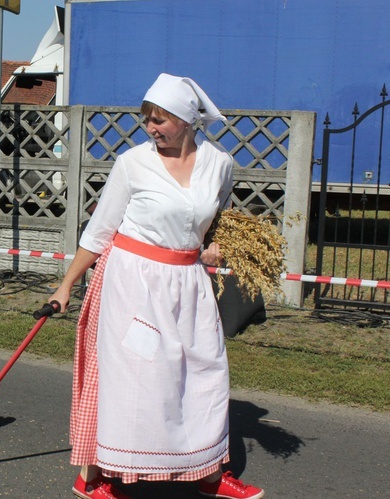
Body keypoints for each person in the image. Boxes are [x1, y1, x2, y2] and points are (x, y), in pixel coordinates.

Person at [48, 73, 265, 499]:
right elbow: (98, 231)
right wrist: (66, 285)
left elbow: (214, 217)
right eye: (147, 118)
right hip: (134, 285)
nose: (150, 127)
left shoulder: (220, 164)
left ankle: (208, 474)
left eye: (160, 120)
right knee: (138, 382)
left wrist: (214, 243)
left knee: (205, 373)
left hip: (188, 284)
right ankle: (99, 477)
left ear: (186, 121)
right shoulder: (133, 164)